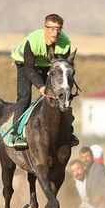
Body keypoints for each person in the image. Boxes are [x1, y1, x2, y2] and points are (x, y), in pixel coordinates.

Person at [9, 13, 77, 149]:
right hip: (25, 64)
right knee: (24, 98)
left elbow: (62, 67)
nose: (55, 32)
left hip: (49, 65)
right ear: (44, 28)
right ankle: (16, 135)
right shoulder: (33, 40)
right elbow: (29, 68)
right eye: (51, 28)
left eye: (58, 29)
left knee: (60, 97)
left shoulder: (65, 42)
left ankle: (69, 132)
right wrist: (40, 86)